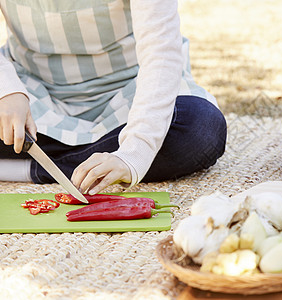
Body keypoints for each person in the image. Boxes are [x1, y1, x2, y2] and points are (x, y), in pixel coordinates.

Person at [0, 1, 226, 194]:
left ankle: (29, 169)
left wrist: (132, 154)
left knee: (201, 127)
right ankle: (80, 164)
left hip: (130, 92)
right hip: (30, 96)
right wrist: (8, 90)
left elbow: (161, 54)